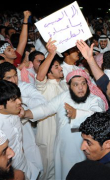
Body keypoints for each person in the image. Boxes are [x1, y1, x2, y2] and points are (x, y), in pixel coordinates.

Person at [20, 69, 106, 180]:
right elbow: (47, 108)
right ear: (69, 86)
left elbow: (97, 115)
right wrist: (26, 113)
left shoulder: (95, 100)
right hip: (61, 149)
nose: (81, 88)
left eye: (83, 84)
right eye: (76, 84)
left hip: (82, 151)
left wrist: (77, 114)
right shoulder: (64, 96)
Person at [34, 39, 68, 180]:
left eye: (59, 66)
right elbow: (39, 76)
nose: (60, 68)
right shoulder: (44, 86)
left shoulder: (65, 86)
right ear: (48, 72)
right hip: (48, 134)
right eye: (56, 67)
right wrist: (50, 54)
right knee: (48, 169)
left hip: (62, 133)